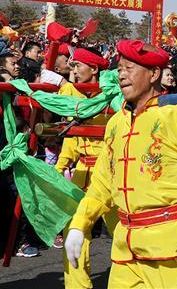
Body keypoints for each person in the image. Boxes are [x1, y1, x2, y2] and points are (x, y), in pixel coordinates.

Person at [64, 40, 177, 287]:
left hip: (175, 249)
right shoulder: (117, 123)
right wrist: (79, 224)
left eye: (129, 68)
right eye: (119, 70)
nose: (122, 76)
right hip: (125, 253)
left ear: (154, 74)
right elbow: (103, 183)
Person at [49, 48, 119, 289]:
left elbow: (82, 110)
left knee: (123, 231)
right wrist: (59, 168)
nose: (74, 70)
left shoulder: (112, 95)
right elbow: (71, 138)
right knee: (75, 232)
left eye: (78, 65)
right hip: (81, 172)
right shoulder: (73, 95)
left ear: (95, 69)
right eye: (73, 65)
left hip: (109, 173)